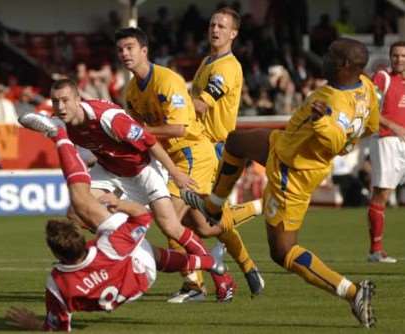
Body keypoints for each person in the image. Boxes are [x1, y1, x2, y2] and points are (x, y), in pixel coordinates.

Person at [182, 38, 378, 328]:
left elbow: (336, 140)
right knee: (236, 141)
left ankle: (352, 292)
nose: (324, 58)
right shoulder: (366, 87)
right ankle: (213, 205)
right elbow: (371, 125)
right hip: (283, 146)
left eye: (331, 55)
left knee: (283, 252)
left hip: (292, 174)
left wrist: (322, 123)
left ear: (345, 65)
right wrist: (345, 138)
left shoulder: (333, 102)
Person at [18, 80, 236, 302]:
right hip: (109, 171)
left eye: (65, 100)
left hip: (143, 170)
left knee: (171, 227)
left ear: (77, 99)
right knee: (75, 213)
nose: (61, 106)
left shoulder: (108, 118)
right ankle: (92, 265)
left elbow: (150, 142)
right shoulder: (62, 122)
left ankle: (219, 273)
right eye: (56, 102)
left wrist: (175, 173)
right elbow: (25, 119)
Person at [5, 122, 226, 331]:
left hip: (113, 297)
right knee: (138, 245)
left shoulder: (57, 282)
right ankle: (210, 262)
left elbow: (58, 329)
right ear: (85, 241)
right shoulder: (109, 245)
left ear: (56, 253)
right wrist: (118, 204)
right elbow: (142, 217)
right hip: (140, 279)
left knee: (139, 246)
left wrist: (33, 324)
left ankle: (211, 263)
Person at [115, 26, 263, 302]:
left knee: (169, 221)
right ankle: (252, 215)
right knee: (204, 228)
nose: (125, 54)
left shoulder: (167, 80)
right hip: (174, 160)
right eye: (121, 49)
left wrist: (142, 133)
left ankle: (196, 285)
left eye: (130, 48)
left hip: (194, 153)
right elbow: (138, 134)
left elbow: (179, 129)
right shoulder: (133, 91)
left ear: (144, 51)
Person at [187, 6, 264, 300]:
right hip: (199, 145)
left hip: (214, 148)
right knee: (204, 218)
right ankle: (245, 267)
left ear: (233, 33)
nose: (215, 30)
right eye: (212, 24)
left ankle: (195, 283)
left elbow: (201, 105)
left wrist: (167, 105)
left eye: (221, 26)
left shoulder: (227, 67)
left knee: (191, 215)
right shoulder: (208, 60)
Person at [367, 41, 405, 263]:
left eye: (403, 55)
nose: (399, 59)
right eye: (396, 55)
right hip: (386, 140)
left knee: (385, 194)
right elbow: (370, 109)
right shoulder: (383, 77)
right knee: (382, 193)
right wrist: (394, 126)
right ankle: (375, 250)